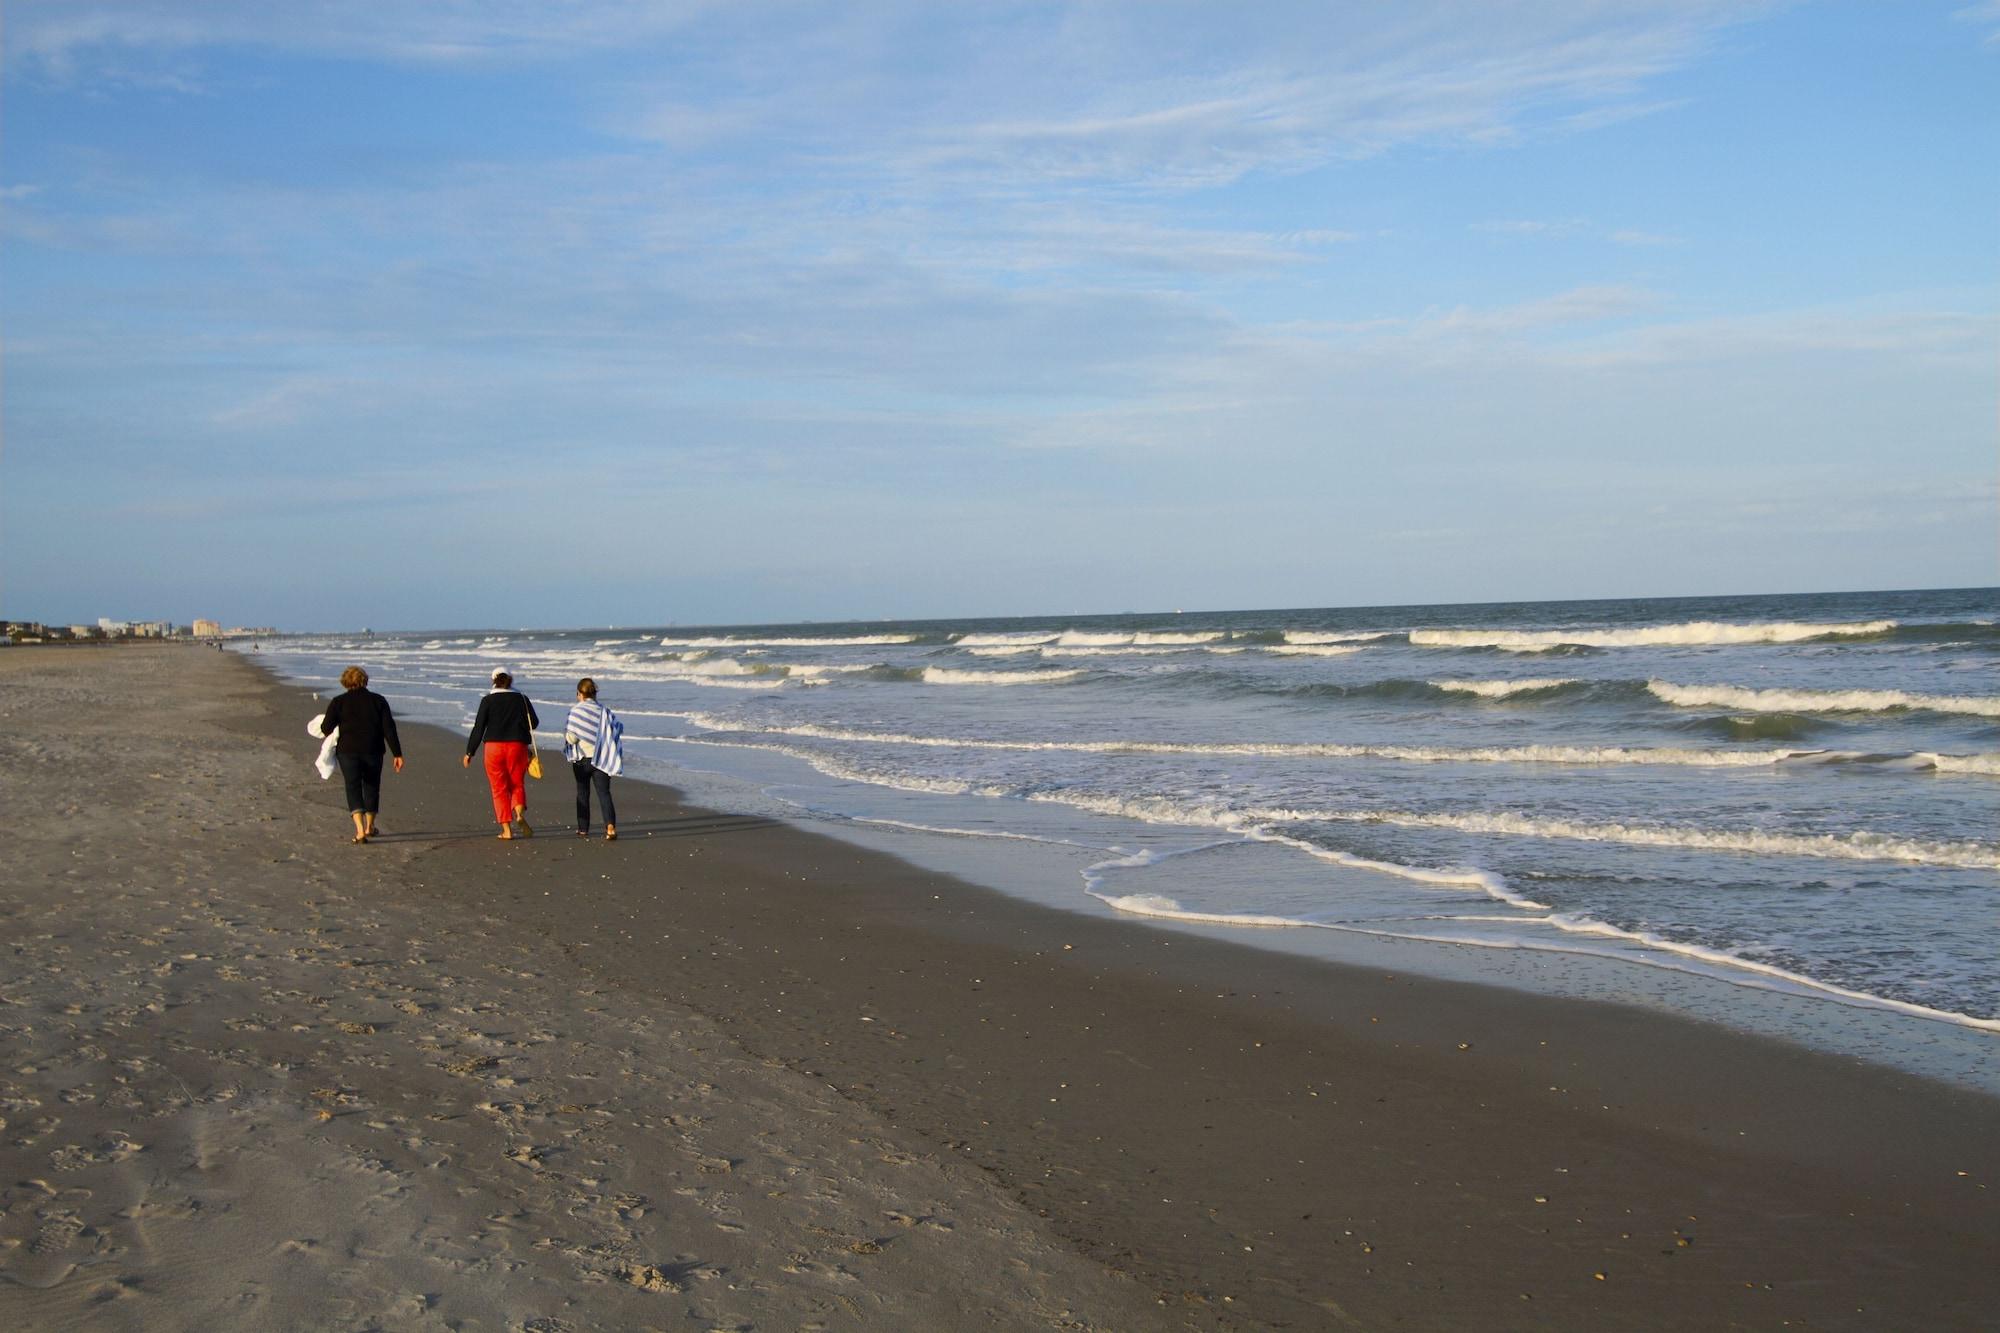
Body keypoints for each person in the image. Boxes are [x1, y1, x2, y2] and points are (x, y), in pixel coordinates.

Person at [319, 666, 404, 843]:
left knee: (353, 786)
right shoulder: (378, 701)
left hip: (347, 751)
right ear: (365, 680)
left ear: (345, 682)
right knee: (372, 786)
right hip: (373, 750)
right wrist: (397, 754)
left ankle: (359, 832)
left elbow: (325, 728)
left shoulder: (338, 702)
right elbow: (389, 729)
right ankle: (369, 826)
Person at [464, 668, 540, 839]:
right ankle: (519, 814)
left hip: (493, 748)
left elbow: (479, 728)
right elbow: (533, 723)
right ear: (511, 680)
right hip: (517, 746)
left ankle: (507, 830)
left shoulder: (488, 700)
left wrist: (470, 752)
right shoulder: (521, 699)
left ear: (493, 680)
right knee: (517, 783)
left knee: (498, 789)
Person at [563, 677, 625, 840]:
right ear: (594, 694)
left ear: (579, 694)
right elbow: (617, 729)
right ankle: (610, 827)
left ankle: (583, 828)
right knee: (604, 793)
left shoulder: (575, 712)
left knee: (582, 792)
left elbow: (571, 738)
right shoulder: (605, 712)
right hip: (602, 758)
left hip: (582, 758)